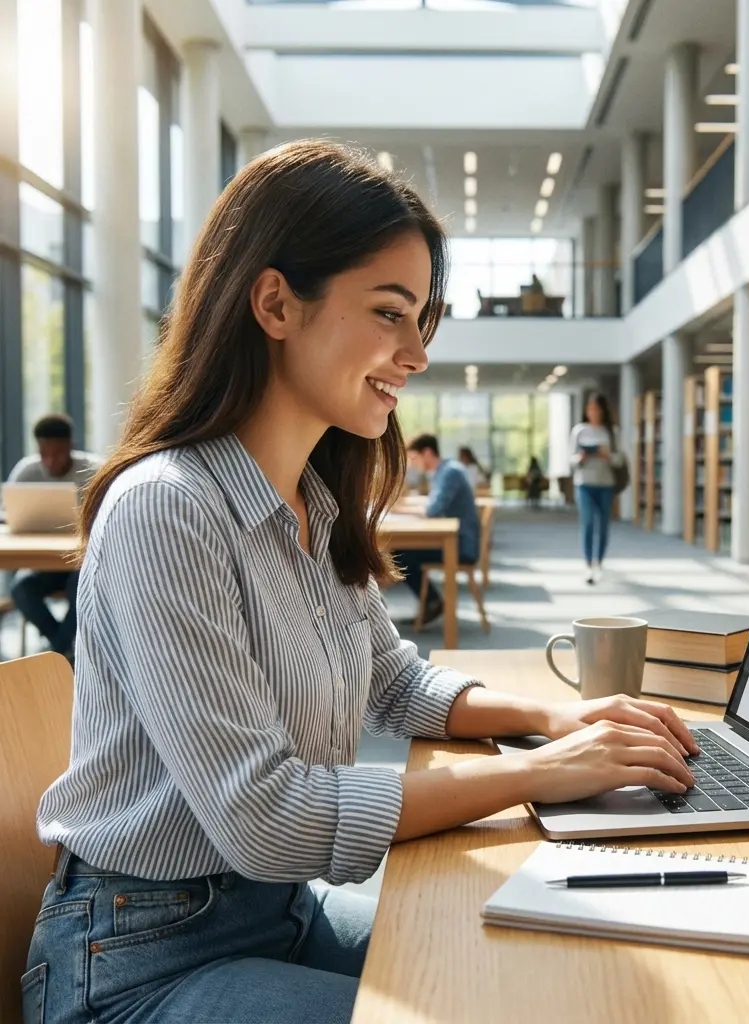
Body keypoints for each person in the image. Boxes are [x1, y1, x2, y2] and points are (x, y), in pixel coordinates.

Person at [24, 140, 699, 1024]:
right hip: (136, 962)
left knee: (535, 968)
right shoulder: (168, 509)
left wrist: (549, 720)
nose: (416, 354)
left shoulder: (310, 499)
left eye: (423, 319)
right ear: (274, 302)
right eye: (390, 313)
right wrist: (542, 777)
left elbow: (394, 681)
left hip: (276, 911)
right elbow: (266, 816)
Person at [6, 413, 102, 658]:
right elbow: (9, 514)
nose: (50, 461)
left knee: (81, 584)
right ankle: (63, 651)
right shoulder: (26, 472)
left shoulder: (94, 471)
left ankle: (56, 653)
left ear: (70, 446)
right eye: (44, 454)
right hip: (44, 564)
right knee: (21, 587)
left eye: (57, 453)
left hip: (80, 561)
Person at [399, 434, 479, 624]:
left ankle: (433, 602)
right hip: (455, 539)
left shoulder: (450, 472)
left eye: (413, 458)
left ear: (427, 453)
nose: (412, 464)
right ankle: (431, 602)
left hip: (461, 546)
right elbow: (433, 506)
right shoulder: (444, 471)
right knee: (400, 551)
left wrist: (402, 509)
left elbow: (434, 510)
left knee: (399, 553)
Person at [570, 393, 620, 585]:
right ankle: (588, 564)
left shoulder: (611, 432)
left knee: (603, 525)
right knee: (588, 523)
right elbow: (571, 459)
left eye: (597, 409)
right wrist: (580, 458)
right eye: (590, 409)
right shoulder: (579, 431)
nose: (593, 412)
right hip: (584, 483)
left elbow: (620, 459)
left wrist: (606, 455)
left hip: (605, 483)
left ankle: (599, 561)